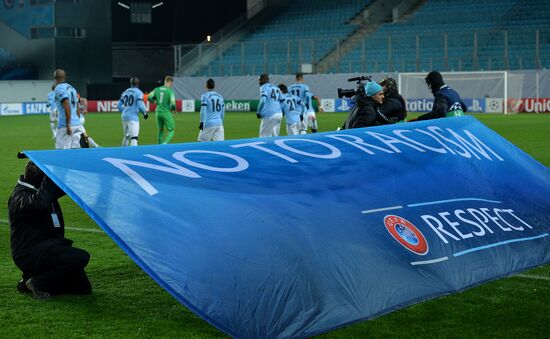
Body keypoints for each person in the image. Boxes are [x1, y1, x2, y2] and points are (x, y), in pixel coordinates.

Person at [8, 161, 92, 299]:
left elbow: (63, 187)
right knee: (81, 257)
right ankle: (38, 282)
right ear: (42, 181)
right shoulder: (19, 196)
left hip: (49, 247)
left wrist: (77, 162)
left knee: (82, 288)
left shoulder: (37, 190)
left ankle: (27, 281)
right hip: (29, 252)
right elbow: (40, 202)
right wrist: (49, 174)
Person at [53, 69, 84, 149]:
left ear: (55, 78)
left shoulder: (59, 89)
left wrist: (68, 124)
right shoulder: (72, 88)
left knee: (61, 153)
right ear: (65, 77)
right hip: (77, 124)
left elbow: (66, 104)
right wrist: (78, 120)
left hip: (65, 126)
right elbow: (77, 107)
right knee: (74, 152)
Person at [118, 77, 148, 146]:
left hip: (124, 116)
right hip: (133, 117)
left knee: (126, 136)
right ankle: (133, 154)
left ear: (131, 83)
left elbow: (119, 106)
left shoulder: (125, 92)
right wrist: (144, 113)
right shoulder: (139, 92)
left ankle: (123, 152)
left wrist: (126, 111)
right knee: (134, 137)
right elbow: (140, 105)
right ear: (138, 84)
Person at [148, 76, 177, 144]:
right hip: (166, 112)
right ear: (169, 82)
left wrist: (154, 102)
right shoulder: (170, 91)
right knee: (171, 130)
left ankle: (159, 146)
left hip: (158, 113)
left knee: (160, 131)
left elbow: (149, 97)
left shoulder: (157, 89)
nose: (171, 86)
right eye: (171, 84)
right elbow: (173, 104)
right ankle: (164, 144)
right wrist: (174, 110)